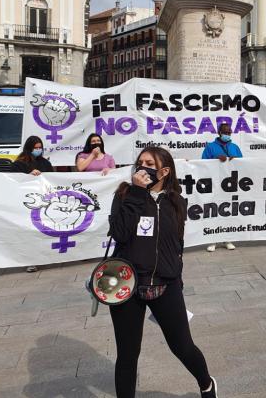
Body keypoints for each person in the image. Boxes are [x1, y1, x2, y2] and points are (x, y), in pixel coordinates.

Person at [108, 146, 218, 398]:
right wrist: (137, 192)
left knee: (182, 346)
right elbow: (120, 233)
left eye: (149, 163)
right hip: (128, 285)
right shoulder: (125, 194)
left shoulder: (175, 201)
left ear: (164, 171)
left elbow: (175, 244)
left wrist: (176, 278)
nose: (142, 166)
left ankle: (206, 383)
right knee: (127, 353)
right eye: (139, 162)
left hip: (165, 285)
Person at [11, 135, 54, 273]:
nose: (38, 150)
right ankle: (30, 261)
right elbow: (13, 180)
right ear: (29, 149)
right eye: (35, 148)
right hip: (26, 203)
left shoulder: (45, 163)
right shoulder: (19, 163)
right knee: (29, 233)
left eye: (40, 147)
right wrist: (28, 175)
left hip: (43, 202)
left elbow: (52, 179)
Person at [201, 122, 242, 252]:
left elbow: (244, 164)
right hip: (215, 184)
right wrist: (215, 158)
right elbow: (202, 164)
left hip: (231, 185)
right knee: (214, 210)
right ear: (219, 132)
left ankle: (227, 239)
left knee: (228, 211)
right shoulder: (210, 147)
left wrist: (236, 160)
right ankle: (213, 240)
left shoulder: (235, 147)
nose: (227, 134)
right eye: (225, 132)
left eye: (229, 132)